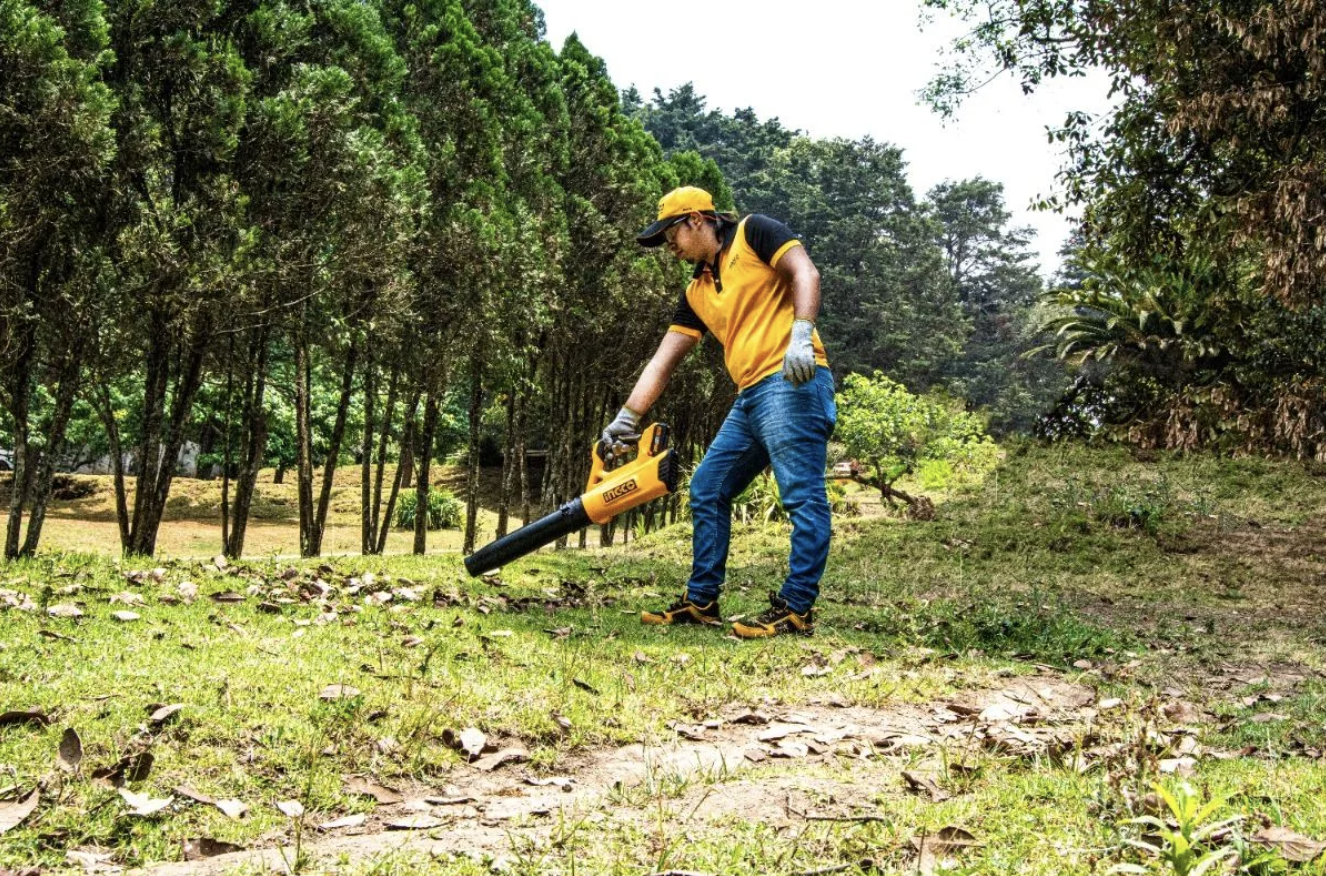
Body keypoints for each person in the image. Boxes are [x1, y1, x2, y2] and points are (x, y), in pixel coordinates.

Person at [600, 186, 836, 639]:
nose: (668, 246)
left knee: (801, 496)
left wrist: (802, 333)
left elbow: (805, 272)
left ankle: (796, 609)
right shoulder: (696, 290)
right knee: (708, 488)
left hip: (792, 383)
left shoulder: (754, 233)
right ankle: (702, 601)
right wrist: (627, 418)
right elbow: (663, 360)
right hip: (750, 396)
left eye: (670, 233)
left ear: (695, 220)